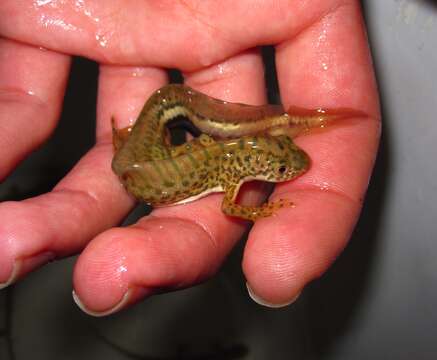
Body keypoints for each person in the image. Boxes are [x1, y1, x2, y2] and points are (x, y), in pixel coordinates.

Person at [0, 0, 380, 315]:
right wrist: (258, 211)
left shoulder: (230, 162)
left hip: (144, 156)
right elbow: (233, 210)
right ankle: (137, 140)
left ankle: (134, 139)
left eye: (284, 164)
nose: (290, 170)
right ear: (255, 166)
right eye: (281, 168)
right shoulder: (232, 175)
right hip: (142, 174)